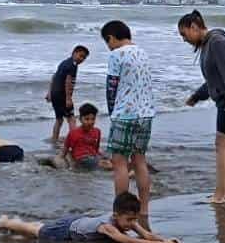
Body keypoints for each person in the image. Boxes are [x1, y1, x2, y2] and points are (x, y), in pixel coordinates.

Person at [180, 10, 225, 205]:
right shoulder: (208, 45)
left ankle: (220, 195)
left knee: (222, 145)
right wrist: (197, 96)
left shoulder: (217, 42)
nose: (184, 40)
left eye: (184, 34)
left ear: (194, 27)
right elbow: (213, 79)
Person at [0, 192, 181, 243]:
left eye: (134, 219)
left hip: (79, 222)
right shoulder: (108, 226)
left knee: (39, 227)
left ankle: (14, 222)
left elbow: (146, 234)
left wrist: (165, 240)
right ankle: (6, 223)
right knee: (35, 232)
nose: (132, 223)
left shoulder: (128, 220)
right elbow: (127, 240)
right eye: (129, 219)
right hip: (66, 230)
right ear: (116, 215)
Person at [102, 20, 155, 216]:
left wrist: (111, 111)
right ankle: (144, 209)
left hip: (125, 114)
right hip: (146, 113)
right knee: (140, 161)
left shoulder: (116, 55)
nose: (108, 46)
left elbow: (111, 86)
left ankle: (122, 212)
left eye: (107, 42)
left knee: (120, 163)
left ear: (111, 38)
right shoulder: (142, 52)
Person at [46, 45, 89, 143]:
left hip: (54, 94)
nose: (81, 59)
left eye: (84, 58)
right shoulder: (72, 65)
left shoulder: (64, 62)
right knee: (71, 119)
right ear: (74, 53)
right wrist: (68, 98)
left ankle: (54, 140)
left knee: (59, 120)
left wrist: (49, 93)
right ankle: (75, 141)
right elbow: (68, 82)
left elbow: (54, 76)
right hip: (62, 95)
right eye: (80, 56)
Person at [62, 103, 111, 170]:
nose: (90, 122)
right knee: (108, 165)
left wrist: (103, 157)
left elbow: (96, 149)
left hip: (94, 156)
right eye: (87, 119)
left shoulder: (97, 131)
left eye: (93, 119)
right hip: (82, 159)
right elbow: (65, 150)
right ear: (80, 119)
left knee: (113, 158)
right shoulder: (73, 133)